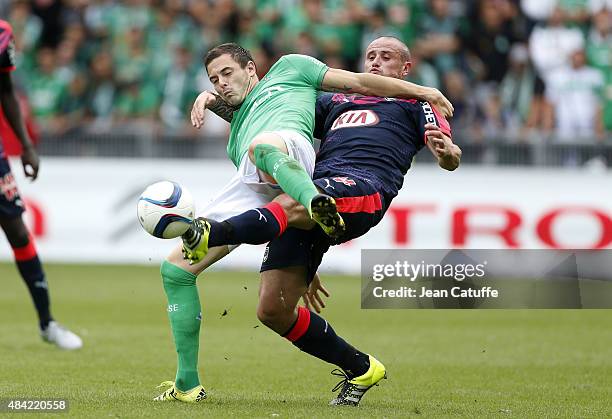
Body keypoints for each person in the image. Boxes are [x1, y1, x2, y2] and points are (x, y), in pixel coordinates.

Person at [154, 41, 453, 402]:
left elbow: (447, 154)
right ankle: (361, 368)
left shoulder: (418, 103)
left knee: (291, 200)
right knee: (273, 309)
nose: (375, 61)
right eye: (370, 55)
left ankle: (213, 232)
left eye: (385, 56)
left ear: (406, 68)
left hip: (362, 186)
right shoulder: (334, 105)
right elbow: (268, 107)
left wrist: (448, 152)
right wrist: (211, 100)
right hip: (312, 188)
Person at [0, 20, 82, 350]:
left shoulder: (3, 33)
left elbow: (5, 89)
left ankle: (47, 323)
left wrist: (26, 143)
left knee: (17, 231)